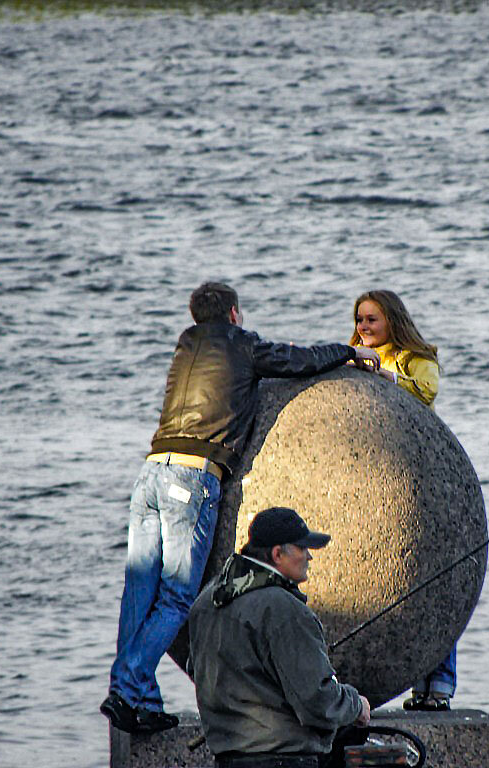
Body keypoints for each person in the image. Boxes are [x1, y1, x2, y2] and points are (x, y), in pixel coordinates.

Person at [101, 282, 380, 735]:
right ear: (234, 314)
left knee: (139, 593)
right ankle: (129, 689)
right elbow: (296, 362)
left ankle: (137, 698)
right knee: (175, 595)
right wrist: (346, 354)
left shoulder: (185, 346)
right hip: (192, 478)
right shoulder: (241, 344)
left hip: (151, 472)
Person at [189, 507, 372, 768]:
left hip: (228, 758)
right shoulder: (284, 610)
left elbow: (196, 669)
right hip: (283, 759)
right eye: (302, 548)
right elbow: (317, 700)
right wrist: (355, 705)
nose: (309, 556)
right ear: (277, 554)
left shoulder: (207, 600)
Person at [348, 289, 454, 711]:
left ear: (391, 320)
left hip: (418, 473)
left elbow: (426, 392)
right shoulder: (353, 355)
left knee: (433, 580)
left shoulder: (413, 358)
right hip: (377, 474)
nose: (363, 327)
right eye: (359, 319)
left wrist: (387, 376)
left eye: (371, 319)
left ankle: (439, 684)